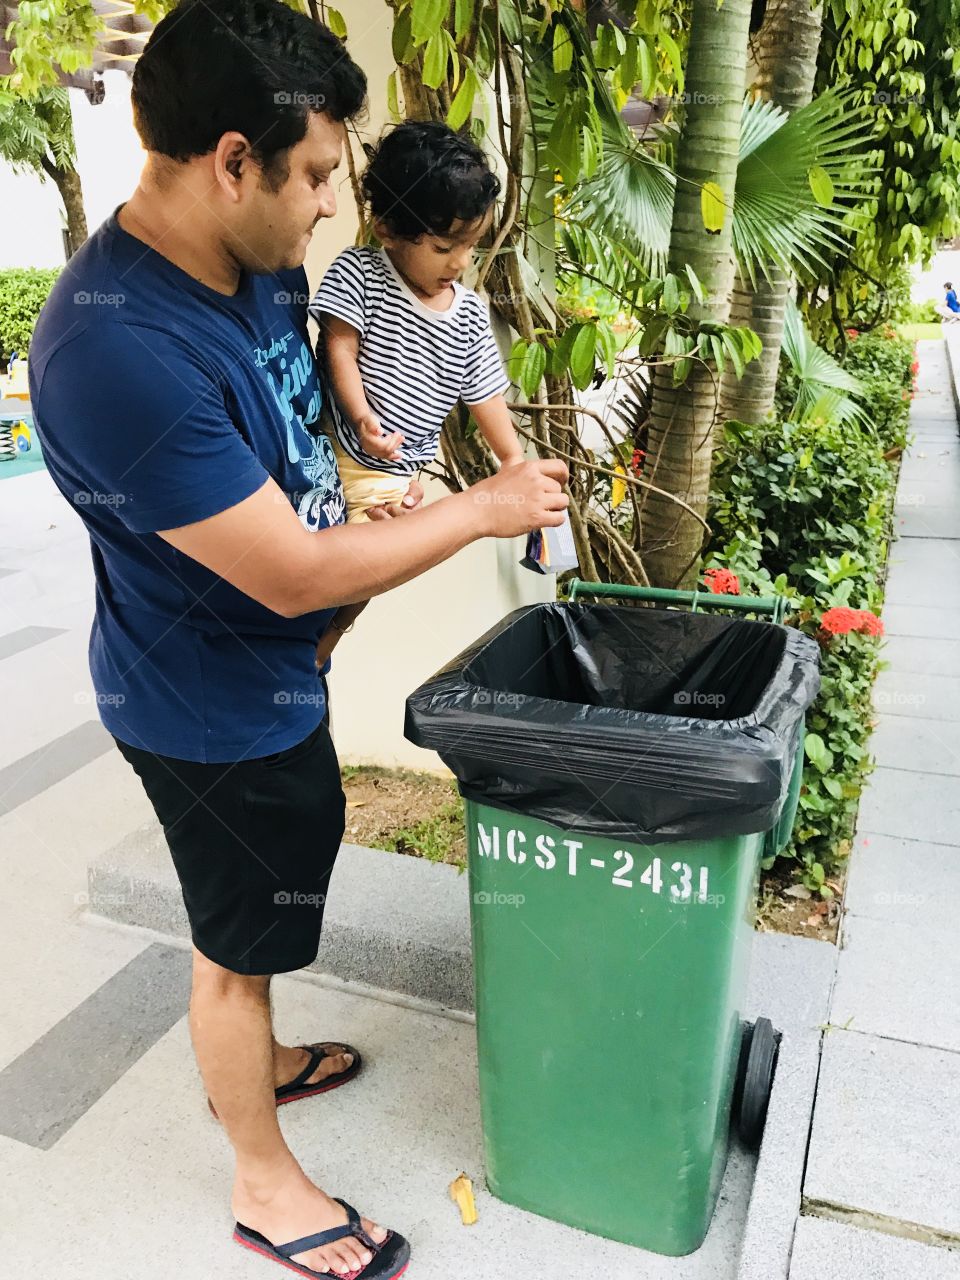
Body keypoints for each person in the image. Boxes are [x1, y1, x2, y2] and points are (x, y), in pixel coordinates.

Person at [27, 2, 568, 1277]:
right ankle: (264, 1179)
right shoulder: (116, 348)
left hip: (273, 671)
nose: (332, 204)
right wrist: (485, 506)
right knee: (237, 945)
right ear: (231, 159)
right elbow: (287, 576)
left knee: (273, 905)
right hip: (207, 707)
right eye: (319, 173)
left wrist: (355, 483)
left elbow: (279, 447)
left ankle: (257, 1062)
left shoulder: (253, 262)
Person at [310, 121, 523, 523]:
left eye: (471, 246)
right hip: (335, 444)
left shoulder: (470, 315)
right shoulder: (359, 273)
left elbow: (485, 396)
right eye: (444, 247)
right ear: (387, 231)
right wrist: (361, 418)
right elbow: (340, 349)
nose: (460, 262)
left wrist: (512, 460)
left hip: (391, 474)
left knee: (367, 560)